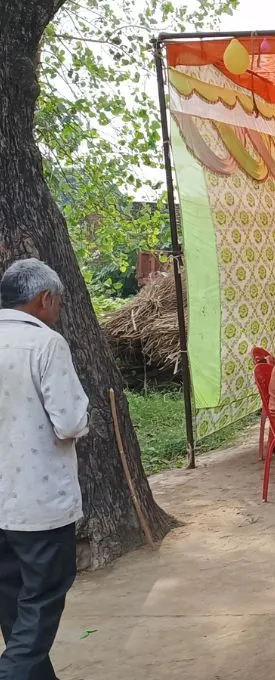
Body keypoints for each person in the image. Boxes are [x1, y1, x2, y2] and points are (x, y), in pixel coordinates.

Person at [0, 259, 89, 679]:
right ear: (45, 298)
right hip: (39, 505)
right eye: (59, 302)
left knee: (15, 609)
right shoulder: (45, 344)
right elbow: (70, 421)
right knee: (38, 608)